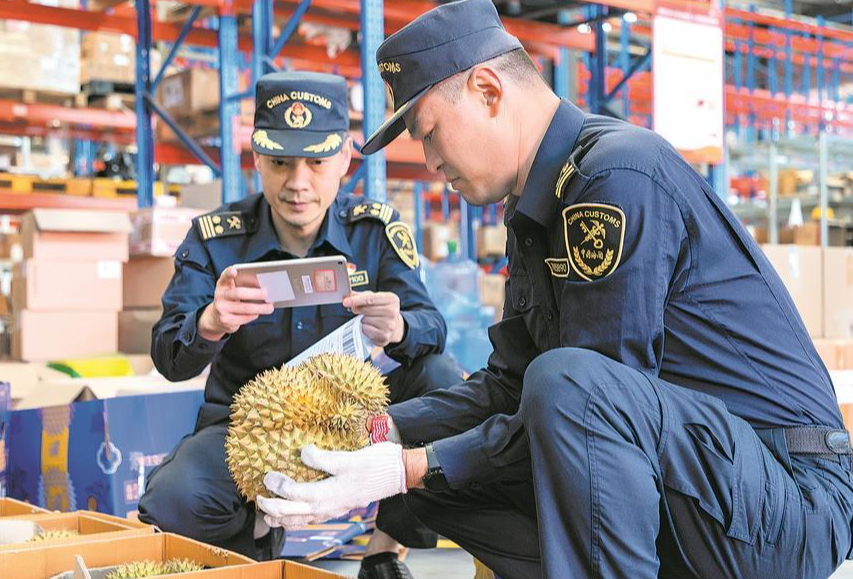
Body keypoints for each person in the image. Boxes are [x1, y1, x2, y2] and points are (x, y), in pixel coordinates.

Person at [254, 2, 853, 579]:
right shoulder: (537, 208)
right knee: (435, 488)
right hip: (694, 481)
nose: (431, 160)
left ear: (489, 92)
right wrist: (375, 433)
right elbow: (510, 383)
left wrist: (410, 467)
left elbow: (587, 398)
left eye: (430, 133)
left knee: (555, 390)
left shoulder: (614, 176)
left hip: (784, 498)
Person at [137, 70, 461, 579]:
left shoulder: (374, 231)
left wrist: (398, 328)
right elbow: (167, 357)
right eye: (281, 162)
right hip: (248, 426)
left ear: (345, 160)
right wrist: (210, 322)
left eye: (316, 162)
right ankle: (255, 542)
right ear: (257, 159)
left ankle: (383, 548)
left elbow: (433, 328)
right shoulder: (215, 239)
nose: (298, 183)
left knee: (445, 381)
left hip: (354, 420)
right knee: (174, 499)